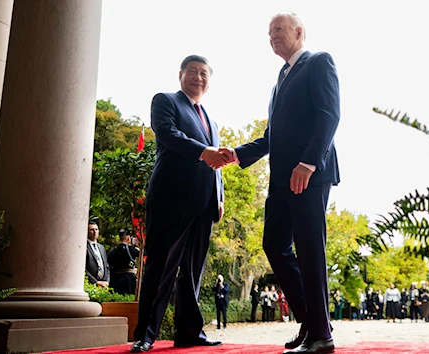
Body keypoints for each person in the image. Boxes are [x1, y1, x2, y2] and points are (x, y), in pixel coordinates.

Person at [223, 12, 340, 354]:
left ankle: (322, 336)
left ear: (299, 32)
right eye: (268, 32)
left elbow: (328, 114)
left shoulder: (319, 62)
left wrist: (308, 162)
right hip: (280, 180)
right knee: (274, 245)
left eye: (278, 29)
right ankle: (310, 321)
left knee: (309, 250)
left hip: (309, 174)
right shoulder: (280, 78)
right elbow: (271, 136)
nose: (271, 36)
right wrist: (237, 153)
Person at [130, 55, 228, 353]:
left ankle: (189, 332)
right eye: (193, 72)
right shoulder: (166, 101)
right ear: (181, 74)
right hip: (171, 199)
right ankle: (145, 334)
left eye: (204, 73)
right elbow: (169, 135)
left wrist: (219, 197)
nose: (199, 77)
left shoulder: (210, 118)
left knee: (192, 272)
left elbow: (217, 163)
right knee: (160, 267)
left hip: (204, 204)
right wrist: (204, 152)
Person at [107, 229, 140, 295]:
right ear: (128, 238)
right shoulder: (132, 250)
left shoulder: (112, 252)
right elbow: (143, 254)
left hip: (116, 280)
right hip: (129, 281)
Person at [85, 221, 110, 288]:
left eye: (96, 229)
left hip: (103, 284)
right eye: (92, 230)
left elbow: (106, 266)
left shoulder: (101, 247)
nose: (95, 232)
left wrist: (107, 281)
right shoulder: (84, 247)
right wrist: (95, 282)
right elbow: (83, 269)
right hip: (90, 284)